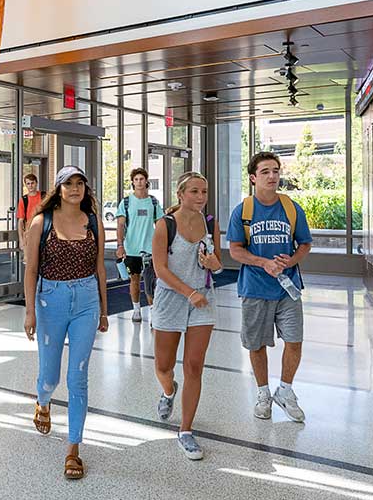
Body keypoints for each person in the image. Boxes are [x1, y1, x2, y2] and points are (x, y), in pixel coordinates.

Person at [24, 165, 109, 480]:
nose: (75, 188)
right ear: (58, 188)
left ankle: (73, 450)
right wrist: (30, 311)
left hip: (86, 300)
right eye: (68, 183)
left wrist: (103, 310)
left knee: (78, 379)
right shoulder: (41, 222)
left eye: (80, 183)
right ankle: (43, 401)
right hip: (51, 302)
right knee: (49, 376)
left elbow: (100, 267)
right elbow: (31, 269)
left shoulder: (94, 222)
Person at [227, 152, 312, 423]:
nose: (272, 176)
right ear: (253, 178)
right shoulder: (243, 211)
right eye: (265, 172)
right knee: (256, 344)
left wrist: (292, 260)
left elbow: (305, 244)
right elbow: (235, 251)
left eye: (275, 171)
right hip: (255, 289)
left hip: (288, 289)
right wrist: (263, 262)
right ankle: (263, 394)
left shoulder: (291, 208)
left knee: (295, 341)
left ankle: (285, 391)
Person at [150, 171, 222, 460]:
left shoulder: (210, 223)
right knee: (164, 366)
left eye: (204, 192)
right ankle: (169, 392)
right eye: (194, 192)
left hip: (203, 301)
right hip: (170, 299)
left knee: (194, 366)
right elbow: (160, 270)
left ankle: (186, 430)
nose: (201, 197)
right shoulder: (164, 225)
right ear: (180, 194)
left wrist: (214, 264)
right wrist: (187, 292)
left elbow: (218, 265)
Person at [115, 167, 164, 323]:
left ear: (146, 181)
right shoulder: (127, 202)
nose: (139, 182)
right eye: (136, 179)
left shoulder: (153, 202)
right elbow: (120, 225)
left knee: (150, 282)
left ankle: (152, 312)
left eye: (141, 179)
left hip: (150, 250)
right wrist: (120, 245)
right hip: (132, 249)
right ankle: (136, 310)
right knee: (134, 280)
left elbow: (160, 223)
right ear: (132, 183)